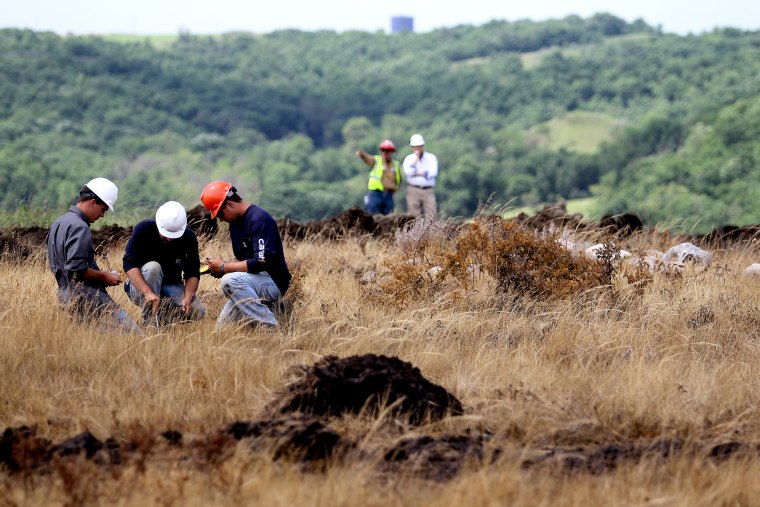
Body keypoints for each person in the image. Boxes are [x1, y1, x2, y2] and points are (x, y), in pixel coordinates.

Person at [46, 178, 140, 333]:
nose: (102, 215)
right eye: (103, 209)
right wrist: (105, 276)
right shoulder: (80, 227)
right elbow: (76, 269)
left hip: (65, 296)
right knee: (135, 336)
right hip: (89, 298)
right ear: (92, 201)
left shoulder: (58, 223)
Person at [200, 181, 291, 329]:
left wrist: (224, 267)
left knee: (229, 280)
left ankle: (269, 327)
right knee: (221, 332)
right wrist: (220, 269)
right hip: (250, 280)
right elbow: (241, 259)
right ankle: (274, 311)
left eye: (220, 214)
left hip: (272, 280)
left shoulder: (259, 220)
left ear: (229, 204)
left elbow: (262, 262)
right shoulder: (234, 223)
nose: (221, 219)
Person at [122, 201, 206, 327]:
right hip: (141, 287)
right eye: (166, 234)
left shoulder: (189, 237)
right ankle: (149, 323)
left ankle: (165, 320)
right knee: (153, 268)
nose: (169, 239)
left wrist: (188, 297)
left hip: (171, 285)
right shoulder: (143, 229)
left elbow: (192, 272)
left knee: (198, 310)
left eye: (174, 235)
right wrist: (148, 293)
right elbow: (129, 263)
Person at [356, 139, 402, 215]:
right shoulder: (376, 160)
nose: (385, 152)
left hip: (388, 195)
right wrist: (362, 155)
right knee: (373, 217)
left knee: (389, 218)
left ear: (392, 152)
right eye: (383, 150)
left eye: (387, 150)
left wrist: (395, 188)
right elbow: (368, 158)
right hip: (375, 194)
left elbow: (399, 179)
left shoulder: (396, 164)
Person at [403, 133, 438, 218]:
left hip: (428, 190)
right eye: (415, 146)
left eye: (419, 146)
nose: (417, 148)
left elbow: (433, 173)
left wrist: (416, 173)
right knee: (414, 216)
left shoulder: (431, 157)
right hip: (413, 189)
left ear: (423, 146)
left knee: (431, 215)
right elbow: (409, 172)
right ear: (412, 147)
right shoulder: (409, 159)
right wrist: (416, 159)